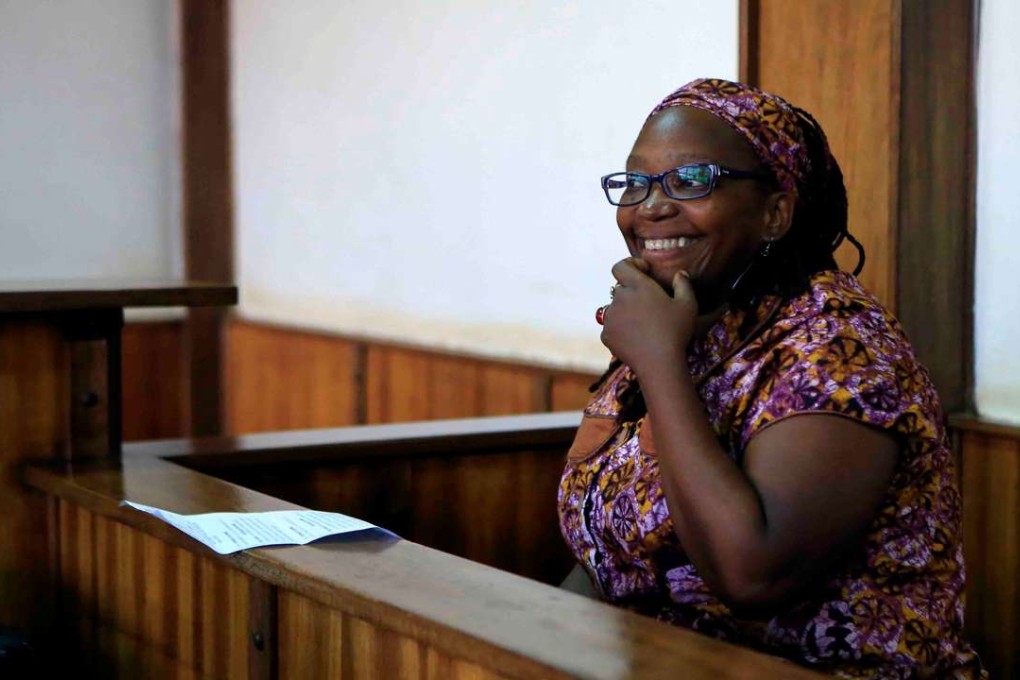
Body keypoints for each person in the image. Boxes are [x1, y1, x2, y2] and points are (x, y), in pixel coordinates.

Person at [557, 78, 985, 679]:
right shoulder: (687, 318)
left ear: (775, 212)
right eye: (636, 182)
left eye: (692, 180)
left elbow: (752, 576)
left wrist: (659, 365)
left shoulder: (841, 346)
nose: (651, 206)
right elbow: (608, 557)